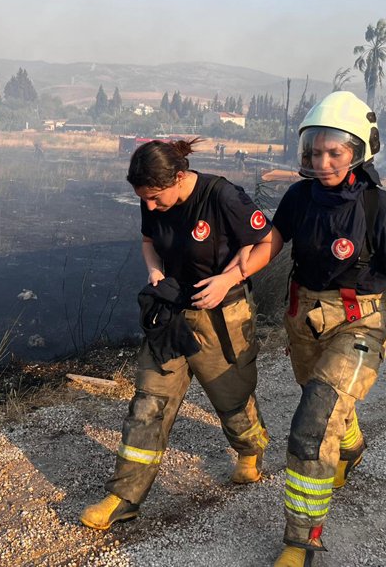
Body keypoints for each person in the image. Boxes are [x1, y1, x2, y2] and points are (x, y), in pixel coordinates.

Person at [237, 92, 386, 566]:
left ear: (359, 151)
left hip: (361, 322)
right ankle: (351, 447)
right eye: (314, 153)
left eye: (334, 153)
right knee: (320, 397)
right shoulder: (299, 196)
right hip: (304, 318)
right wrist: (233, 274)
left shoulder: (378, 206)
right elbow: (272, 242)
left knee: (312, 423)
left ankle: (300, 540)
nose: (321, 163)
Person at [80, 138, 274, 530]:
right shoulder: (151, 198)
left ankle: (250, 451)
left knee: (232, 400)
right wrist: (154, 269)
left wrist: (230, 278)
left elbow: (269, 242)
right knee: (148, 403)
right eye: (143, 199)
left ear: (179, 177)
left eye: (155, 197)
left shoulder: (221, 196)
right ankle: (124, 497)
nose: (150, 206)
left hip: (220, 316)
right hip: (170, 315)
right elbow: (149, 242)